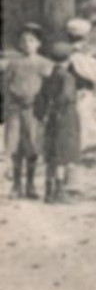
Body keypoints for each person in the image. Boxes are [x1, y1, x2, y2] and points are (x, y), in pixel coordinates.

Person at [5, 23, 50, 198]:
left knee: (32, 146)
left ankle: (31, 184)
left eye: (31, 40)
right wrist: (11, 101)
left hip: (34, 110)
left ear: (38, 43)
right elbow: (6, 86)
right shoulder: (13, 64)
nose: (27, 44)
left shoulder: (44, 64)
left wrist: (41, 105)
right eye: (23, 40)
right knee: (16, 146)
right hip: (16, 109)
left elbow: (48, 88)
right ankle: (16, 184)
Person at [36, 41, 82, 203]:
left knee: (52, 155)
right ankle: (60, 191)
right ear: (68, 59)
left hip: (52, 118)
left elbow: (40, 99)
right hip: (66, 116)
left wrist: (43, 115)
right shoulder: (68, 77)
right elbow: (66, 97)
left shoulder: (49, 77)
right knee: (64, 154)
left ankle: (49, 191)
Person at [64, 18, 96, 157]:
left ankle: (85, 147)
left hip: (82, 90)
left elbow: (92, 74)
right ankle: (81, 147)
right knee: (82, 117)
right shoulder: (76, 54)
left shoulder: (81, 54)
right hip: (79, 89)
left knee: (84, 116)